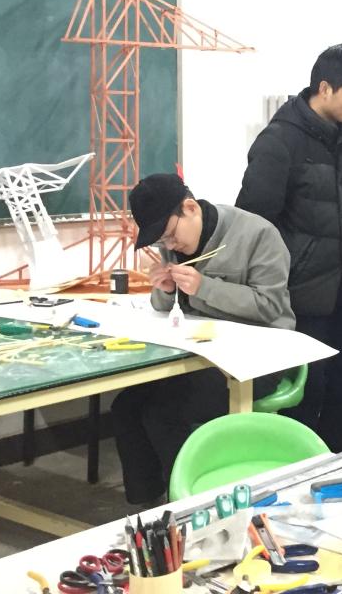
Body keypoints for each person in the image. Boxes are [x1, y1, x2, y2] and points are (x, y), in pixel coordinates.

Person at [112, 173, 297, 505]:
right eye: (162, 242)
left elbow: (270, 307)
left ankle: (191, 504)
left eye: (170, 235)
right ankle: (149, 506)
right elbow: (166, 308)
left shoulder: (257, 234)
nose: (170, 246)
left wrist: (204, 287)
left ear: (190, 208)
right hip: (205, 354)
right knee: (126, 406)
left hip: (260, 357)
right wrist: (165, 290)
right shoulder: (174, 245)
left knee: (163, 412)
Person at [235, 43, 342, 452]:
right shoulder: (279, 142)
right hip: (299, 296)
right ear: (325, 88)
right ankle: (299, 475)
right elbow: (253, 224)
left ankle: (336, 468)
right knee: (307, 393)